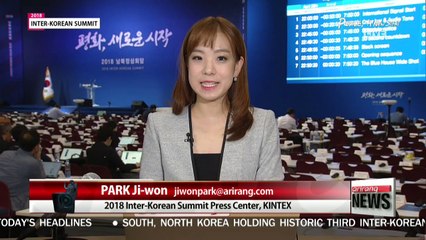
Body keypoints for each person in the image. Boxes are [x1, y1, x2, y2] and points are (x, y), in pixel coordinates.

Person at [140, 17, 283, 181]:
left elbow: (270, 203)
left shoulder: (262, 124)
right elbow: (148, 202)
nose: (208, 70)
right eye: (198, 58)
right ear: (187, 65)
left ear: (237, 67)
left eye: (221, 58)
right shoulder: (159, 126)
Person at [0, 129, 46, 211]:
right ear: (36, 147)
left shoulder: (4, 154)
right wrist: (38, 158)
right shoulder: (32, 163)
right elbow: (41, 183)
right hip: (19, 206)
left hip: (2, 203)